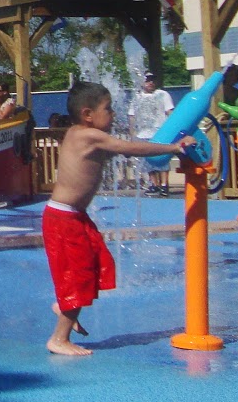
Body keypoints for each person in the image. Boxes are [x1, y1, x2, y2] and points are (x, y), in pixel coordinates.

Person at [44, 80, 196, 356]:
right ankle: (59, 339)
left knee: (94, 262)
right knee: (77, 275)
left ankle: (63, 305)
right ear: (88, 114)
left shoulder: (83, 135)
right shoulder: (87, 135)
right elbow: (130, 148)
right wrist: (173, 148)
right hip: (63, 219)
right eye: (108, 109)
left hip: (74, 217)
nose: (113, 113)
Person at [127, 73, 176, 195]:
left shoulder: (162, 94)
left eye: (152, 80)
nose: (150, 82)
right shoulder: (137, 97)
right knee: (146, 161)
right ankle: (154, 184)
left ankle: (165, 185)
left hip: (160, 132)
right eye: (148, 80)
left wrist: (172, 128)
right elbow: (132, 116)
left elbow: (169, 111)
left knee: (163, 158)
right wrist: (132, 133)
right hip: (143, 133)